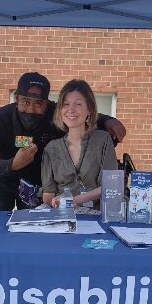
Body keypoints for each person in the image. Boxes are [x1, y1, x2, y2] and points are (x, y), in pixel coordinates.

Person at [0, 72, 126, 211]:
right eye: (25, 102)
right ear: (16, 99)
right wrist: (12, 164)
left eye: (38, 103)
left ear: (47, 103)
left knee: (30, 229)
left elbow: (78, 112)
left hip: (35, 181)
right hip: (1, 182)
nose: (31, 109)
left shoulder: (55, 113)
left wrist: (108, 120)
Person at [41, 79, 118, 210]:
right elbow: (48, 194)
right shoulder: (51, 149)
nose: (71, 110)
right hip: (64, 218)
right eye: (65, 104)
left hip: (98, 217)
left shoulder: (103, 140)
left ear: (89, 109)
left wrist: (75, 200)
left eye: (78, 104)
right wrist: (53, 201)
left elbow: (111, 185)